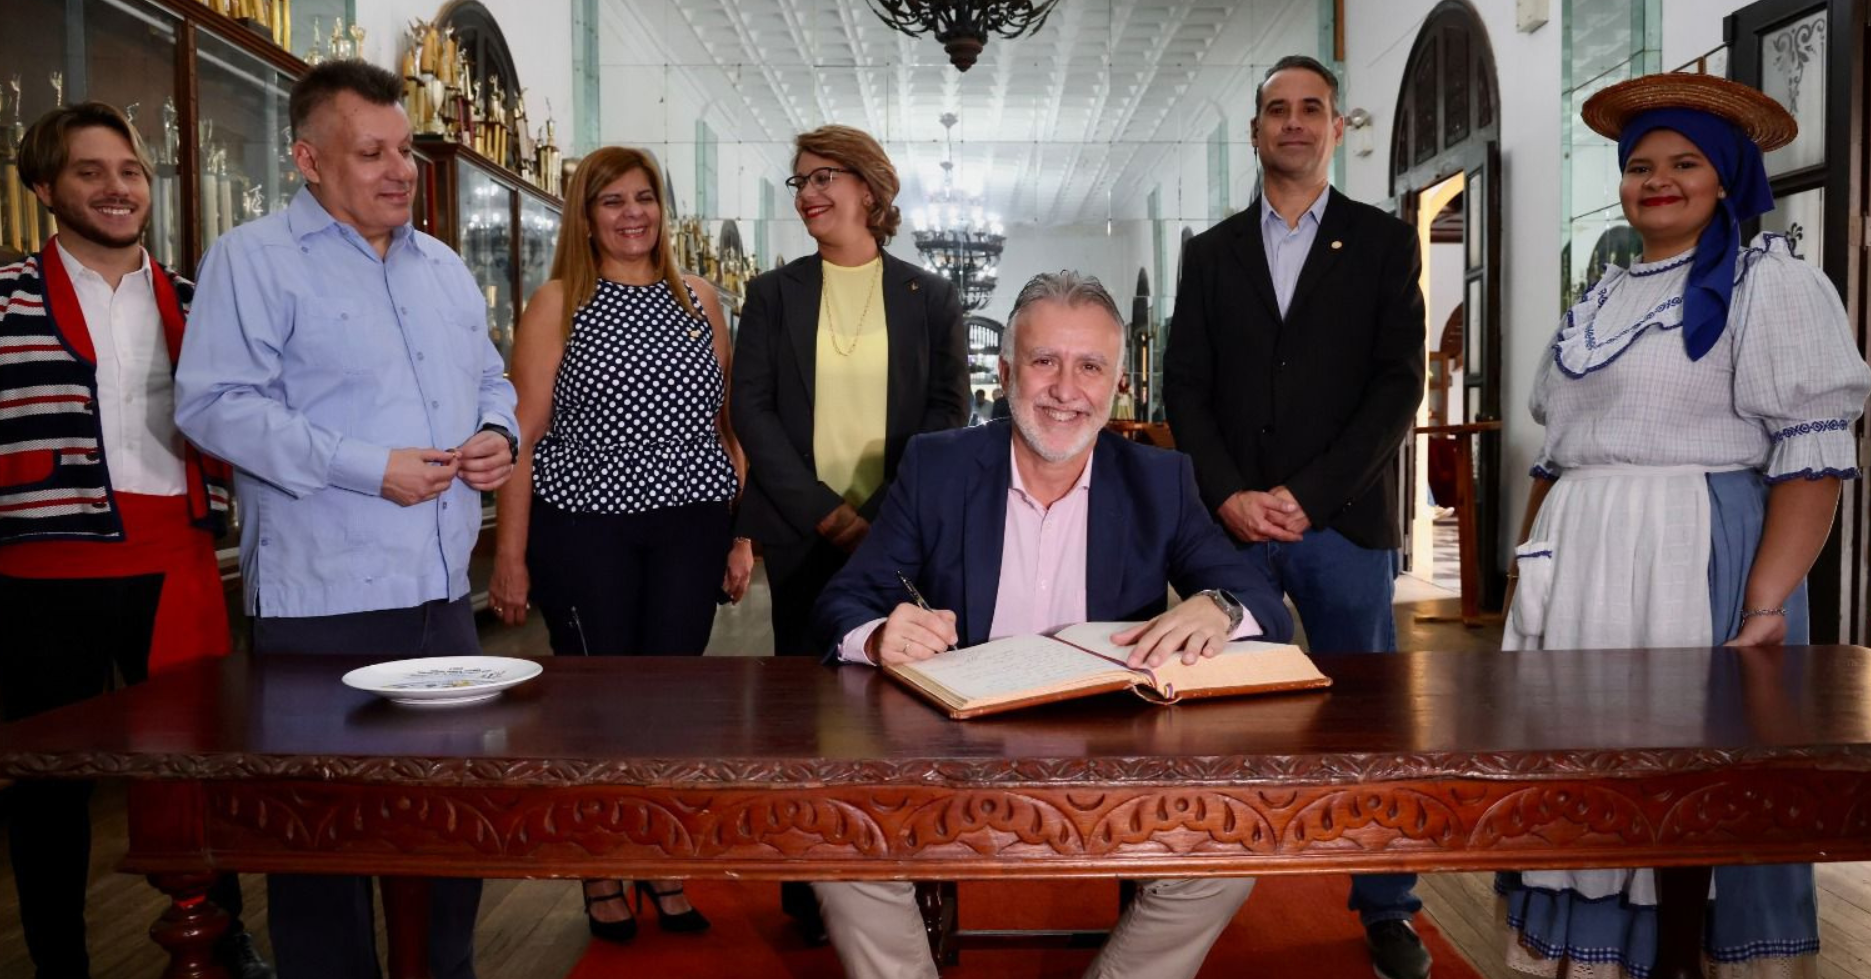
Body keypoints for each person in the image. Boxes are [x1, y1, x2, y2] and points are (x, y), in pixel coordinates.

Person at [810, 271, 1291, 979]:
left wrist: (1216, 606)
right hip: (951, 746)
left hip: (1116, 754)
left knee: (1233, 847)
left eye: (1090, 366)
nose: (1066, 389)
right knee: (834, 839)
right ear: (1006, 373)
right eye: (1044, 362)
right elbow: (845, 598)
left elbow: (1262, 597)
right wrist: (881, 634)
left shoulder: (1160, 481)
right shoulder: (938, 466)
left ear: (1117, 384)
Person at [1496, 72, 1871, 978]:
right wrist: (1526, 571)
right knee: (1585, 766)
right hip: (1583, 560)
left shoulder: (1770, 284)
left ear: (1729, 177)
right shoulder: (1602, 296)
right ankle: (1599, 954)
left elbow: (1812, 457)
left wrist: (1769, 601)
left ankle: (1681, 956)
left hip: (1689, 552)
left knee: (1690, 780)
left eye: (1684, 163)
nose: (1656, 181)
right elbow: (1558, 456)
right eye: (1639, 166)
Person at [174, 60, 517, 979]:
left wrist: (496, 434)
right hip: (322, 600)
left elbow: (492, 378)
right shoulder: (252, 259)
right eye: (372, 152)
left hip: (443, 595)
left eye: (406, 150)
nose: (401, 169)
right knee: (322, 844)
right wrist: (369, 470)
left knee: (449, 832)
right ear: (309, 159)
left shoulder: (442, 267)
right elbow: (213, 407)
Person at [0, 103, 270, 979]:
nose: (117, 189)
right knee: (49, 787)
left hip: (176, 559)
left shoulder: (196, 298)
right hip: (40, 570)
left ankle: (224, 935)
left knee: (193, 770)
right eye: (90, 172)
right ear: (44, 188)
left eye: (130, 172)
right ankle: (57, 960)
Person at [1162, 54, 1430, 979]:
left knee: (1368, 722)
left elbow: (1399, 386)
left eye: (1311, 108)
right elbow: (1184, 389)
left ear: (1335, 128)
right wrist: (1227, 493)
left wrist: (1308, 496)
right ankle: (1200, 885)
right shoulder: (1209, 253)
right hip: (1228, 529)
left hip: (1342, 525)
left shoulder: (1385, 243)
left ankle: (1388, 907)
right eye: (1277, 109)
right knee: (1212, 717)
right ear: (1257, 130)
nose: (1294, 123)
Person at [486, 145, 745, 942]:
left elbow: (724, 428)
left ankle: (661, 859)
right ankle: (602, 863)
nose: (633, 214)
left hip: (692, 527)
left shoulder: (700, 298)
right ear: (587, 217)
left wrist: (740, 536)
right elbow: (524, 436)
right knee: (598, 706)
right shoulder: (558, 302)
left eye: (645, 198)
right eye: (613, 202)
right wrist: (509, 553)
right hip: (585, 526)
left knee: (670, 704)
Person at [731, 124, 967, 944]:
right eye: (797, 182)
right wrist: (830, 514)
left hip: (907, 535)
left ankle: (925, 876)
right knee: (807, 714)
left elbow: (948, 417)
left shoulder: (930, 297)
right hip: (802, 534)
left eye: (822, 177)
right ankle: (810, 883)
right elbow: (751, 414)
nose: (806, 194)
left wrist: (887, 517)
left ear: (870, 187)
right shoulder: (772, 294)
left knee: (911, 711)